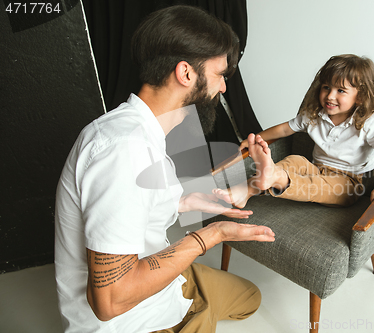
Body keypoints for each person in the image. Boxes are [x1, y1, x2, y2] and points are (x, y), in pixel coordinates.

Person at [54, 5, 275, 333]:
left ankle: (197, 306)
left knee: (250, 298)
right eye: (219, 76)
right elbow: (110, 301)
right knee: (214, 312)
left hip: (166, 283)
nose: (223, 89)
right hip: (132, 320)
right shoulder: (123, 150)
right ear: (186, 73)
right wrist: (211, 235)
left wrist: (251, 183)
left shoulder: (144, 130)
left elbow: (144, 196)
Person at [214, 54, 374, 211]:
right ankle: (247, 190)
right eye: (326, 87)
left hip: (351, 181)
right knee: (295, 161)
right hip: (317, 167)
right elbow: (285, 129)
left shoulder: (368, 120)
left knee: (316, 187)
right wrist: (254, 139)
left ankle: (277, 177)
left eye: (341, 90)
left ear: (359, 97)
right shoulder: (315, 115)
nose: (330, 96)